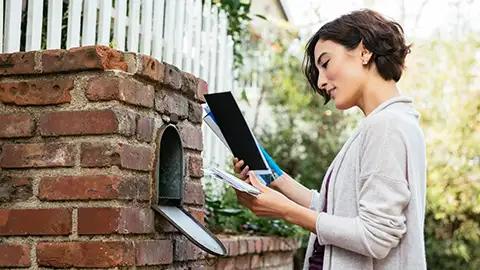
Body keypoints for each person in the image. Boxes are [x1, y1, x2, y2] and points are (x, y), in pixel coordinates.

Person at [231, 9, 427, 270]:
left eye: (325, 63)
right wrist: (274, 177)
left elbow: (376, 236)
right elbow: (332, 210)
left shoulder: (387, 126)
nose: (321, 82)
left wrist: (284, 211)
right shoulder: (382, 124)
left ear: (363, 51)